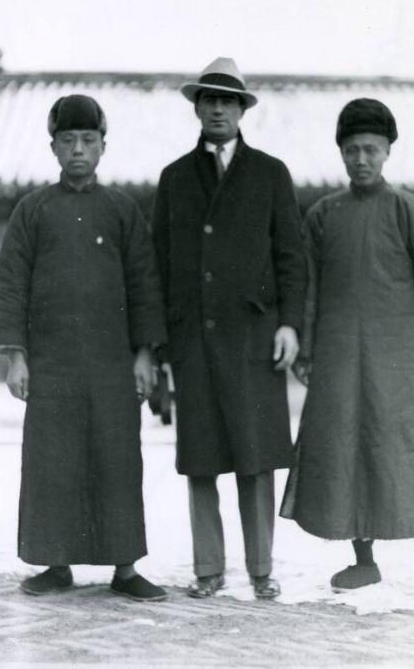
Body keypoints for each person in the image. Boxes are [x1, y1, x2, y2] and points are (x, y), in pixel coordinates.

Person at [281, 98, 414, 611]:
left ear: (388, 151)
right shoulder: (323, 216)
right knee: (347, 449)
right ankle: (364, 560)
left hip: (399, 358)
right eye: (352, 150)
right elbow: (309, 287)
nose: (361, 159)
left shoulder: (410, 212)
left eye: (370, 149)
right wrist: (309, 344)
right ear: (341, 154)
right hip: (339, 356)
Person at [0, 94, 168, 601]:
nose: (78, 150)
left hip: (113, 364)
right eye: (68, 141)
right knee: (53, 461)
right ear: (53, 147)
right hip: (52, 364)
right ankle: (56, 563)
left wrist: (144, 354)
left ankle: (126, 567)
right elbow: (10, 285)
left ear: (103, 147)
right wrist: (16, 357)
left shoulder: (121, 211)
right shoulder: (32, 211)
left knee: (117, 461)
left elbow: (144, 285)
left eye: (88, 141)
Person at [152, 57, 305, 599]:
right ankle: (208, 570)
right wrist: (161, 343)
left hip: (254, 338)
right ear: (196, 108)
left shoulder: (270, 174)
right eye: (209, 99)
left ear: (242, 110)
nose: (218, 108)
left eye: (228, 100)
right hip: (193, 339)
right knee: (201, 460)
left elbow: (292, 258)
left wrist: (289, 325)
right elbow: (158, 264)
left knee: (255, 456)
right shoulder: (174, 178)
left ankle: (262, 570)